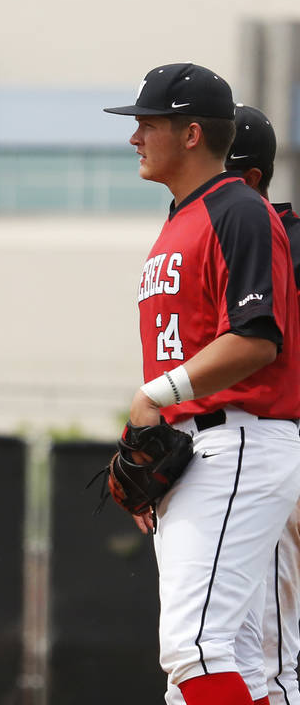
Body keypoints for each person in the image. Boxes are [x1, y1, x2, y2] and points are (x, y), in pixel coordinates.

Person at [104, 64, 300, 705]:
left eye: (148, 124)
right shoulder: (182, 219)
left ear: (191, 134)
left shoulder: (237, 210)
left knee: (195, 649)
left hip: (239, 437)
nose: (135, 137)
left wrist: (154, 398)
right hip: (201, 448)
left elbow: (256, 337)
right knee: (235, 660)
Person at [224, 105, 300, 705]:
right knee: (221, 643)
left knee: (270, 653)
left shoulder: (285, 243)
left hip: (272, 445)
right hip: (226, 454)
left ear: (247, 179)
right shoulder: (204, 237)